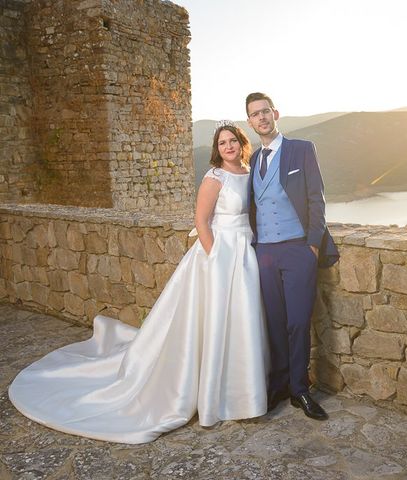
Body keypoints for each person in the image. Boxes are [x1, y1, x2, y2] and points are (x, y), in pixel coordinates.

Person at [8, 123, 269, 444]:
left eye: (233, 141)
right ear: (217, 148)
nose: (228, 146)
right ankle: (211, 396)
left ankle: (243, 391)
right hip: (219, 255)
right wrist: (216, 258)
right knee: (212, 322)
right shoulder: (215, 177)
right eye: (222, 142)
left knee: (242, 320)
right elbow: (201, 221)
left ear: (241, 143)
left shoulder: (249, 170)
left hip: (246, 251)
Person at [245, 92, 339, 421]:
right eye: (255, 114)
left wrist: (312, 245)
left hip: (299, 249)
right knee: (274, 322)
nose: (262, 118)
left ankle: (300, 389)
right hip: (265, 252)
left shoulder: (301, 149)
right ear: (250, 122)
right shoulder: (253, 161)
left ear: (276, 113)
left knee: (299, 321)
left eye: (265, 111)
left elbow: (316, 198)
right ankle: (280, 386)